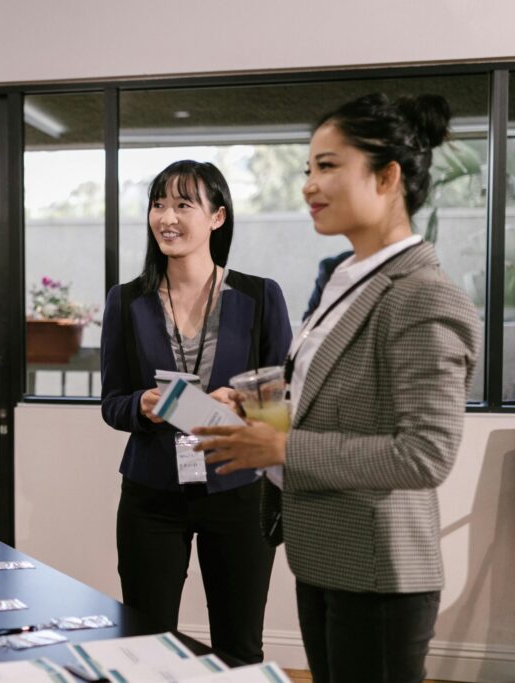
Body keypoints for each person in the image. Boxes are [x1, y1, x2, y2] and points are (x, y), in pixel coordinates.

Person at [194, 93, 480, 682]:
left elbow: (425, 454)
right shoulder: (347, 279)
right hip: (325, 554)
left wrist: (282, 449)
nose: (308, 185)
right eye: (307, 169)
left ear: (388, 176)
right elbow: (333, 392)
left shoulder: (422, 294)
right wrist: (258, 403)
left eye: (328, 166)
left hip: (379, 571)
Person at [100, 160, 292, 664]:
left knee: (239, 644)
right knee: (143, 642)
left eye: (184, 204)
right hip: (151, 494)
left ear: (217, 217)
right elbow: (112, 400)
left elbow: (282, 403)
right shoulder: (126, 302)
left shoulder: (259, 295)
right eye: (158, 204)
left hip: (239, 491)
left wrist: (243, 401)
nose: (167, 217)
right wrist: (140, 406)